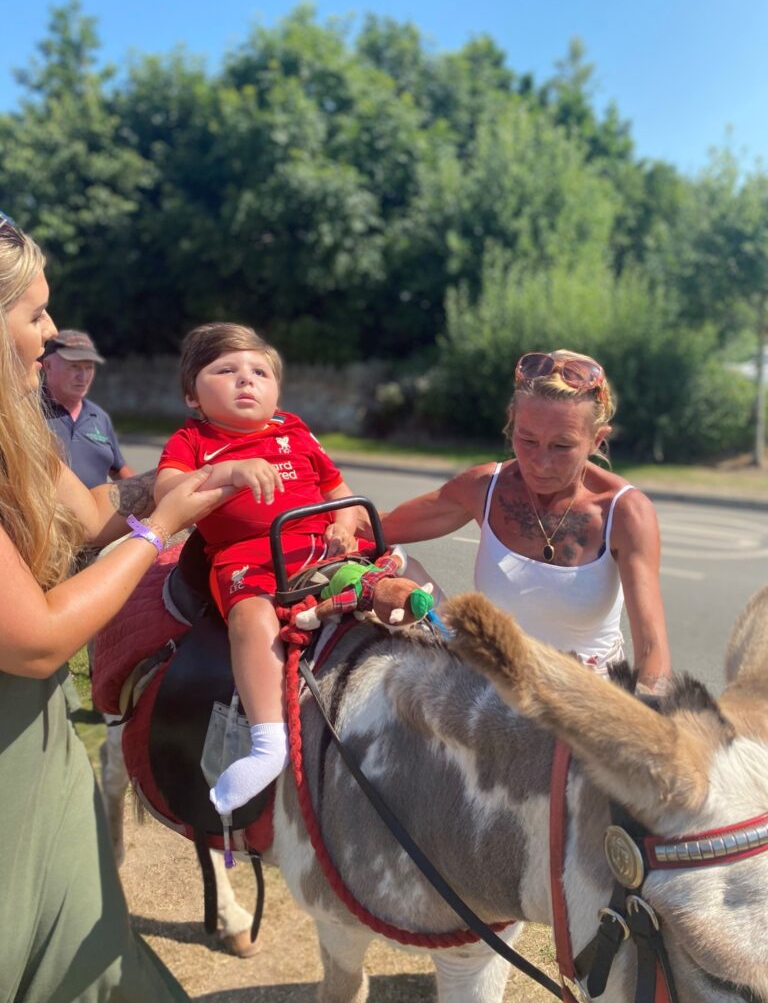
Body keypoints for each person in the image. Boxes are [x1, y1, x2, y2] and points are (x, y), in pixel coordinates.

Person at [0, 209, 233, 1002]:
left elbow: (98, 517)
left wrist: (179, 477)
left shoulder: (17, 438)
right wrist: (161, 527)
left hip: (39, 747)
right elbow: (34, 642)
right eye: (34, 314)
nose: (52, 333)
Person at [155, 322, 362, 815]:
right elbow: (166, 494)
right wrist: (224, 472)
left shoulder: (295, 430)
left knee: (403, 566)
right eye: (225, 370)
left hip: (325, 547)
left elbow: (339, 490)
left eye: (260, 372)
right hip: (250, 558)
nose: (246, 380)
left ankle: (453, 652)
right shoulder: (195, 439)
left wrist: (347, 521)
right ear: (192, 395)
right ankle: (269, 743)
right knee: (250, 617)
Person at [380, 349, 672, 693]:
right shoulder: (483, 488)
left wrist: (648, 716)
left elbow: (653, 652)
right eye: (527, 439)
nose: (540, 463)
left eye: (562, 446)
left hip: (588, 700)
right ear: (511, 421)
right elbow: (377, 528)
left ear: (597, 439)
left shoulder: (625, 512)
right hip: (495, 691)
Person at [42, 328, 135, 487]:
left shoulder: (99, 416)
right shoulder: (26, 411)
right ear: (48, 365)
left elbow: (118, 469)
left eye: (89, 367)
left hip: (96, 512)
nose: (83, 377)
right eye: (74, 366)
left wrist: (143, 504)